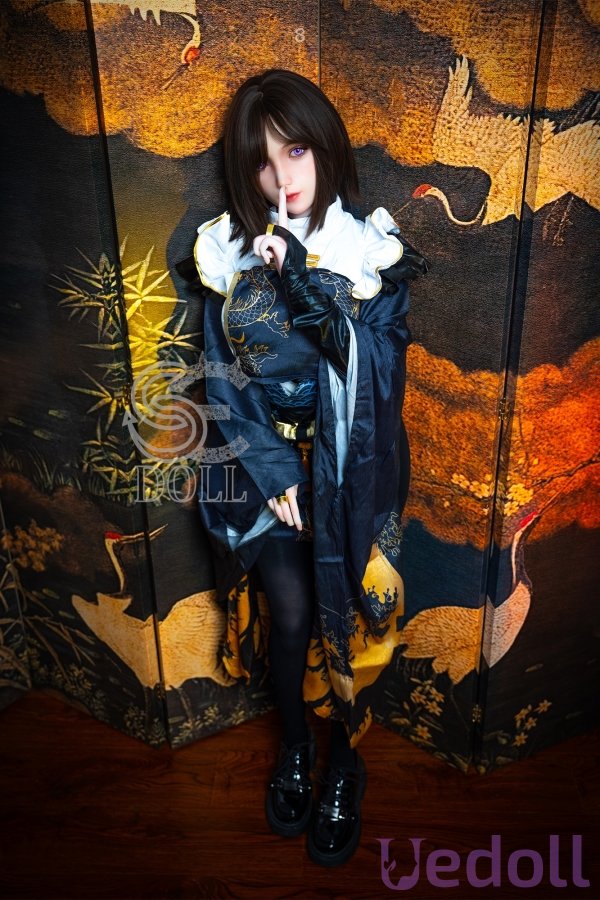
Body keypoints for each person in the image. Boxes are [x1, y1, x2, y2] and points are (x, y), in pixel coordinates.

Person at [185, 68, 427, 867]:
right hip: (267, 471)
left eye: (294, 150)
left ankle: (344, 762)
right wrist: (274, 471)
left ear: (324, 147)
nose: (281, 176)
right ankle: (295, 744)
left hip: (353, 467)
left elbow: (377, 370)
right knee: (289, 611)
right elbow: (221, 377)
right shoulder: (227, 254)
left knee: (348, 612)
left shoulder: (370, 252)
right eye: (261, 160)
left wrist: (296, 275)